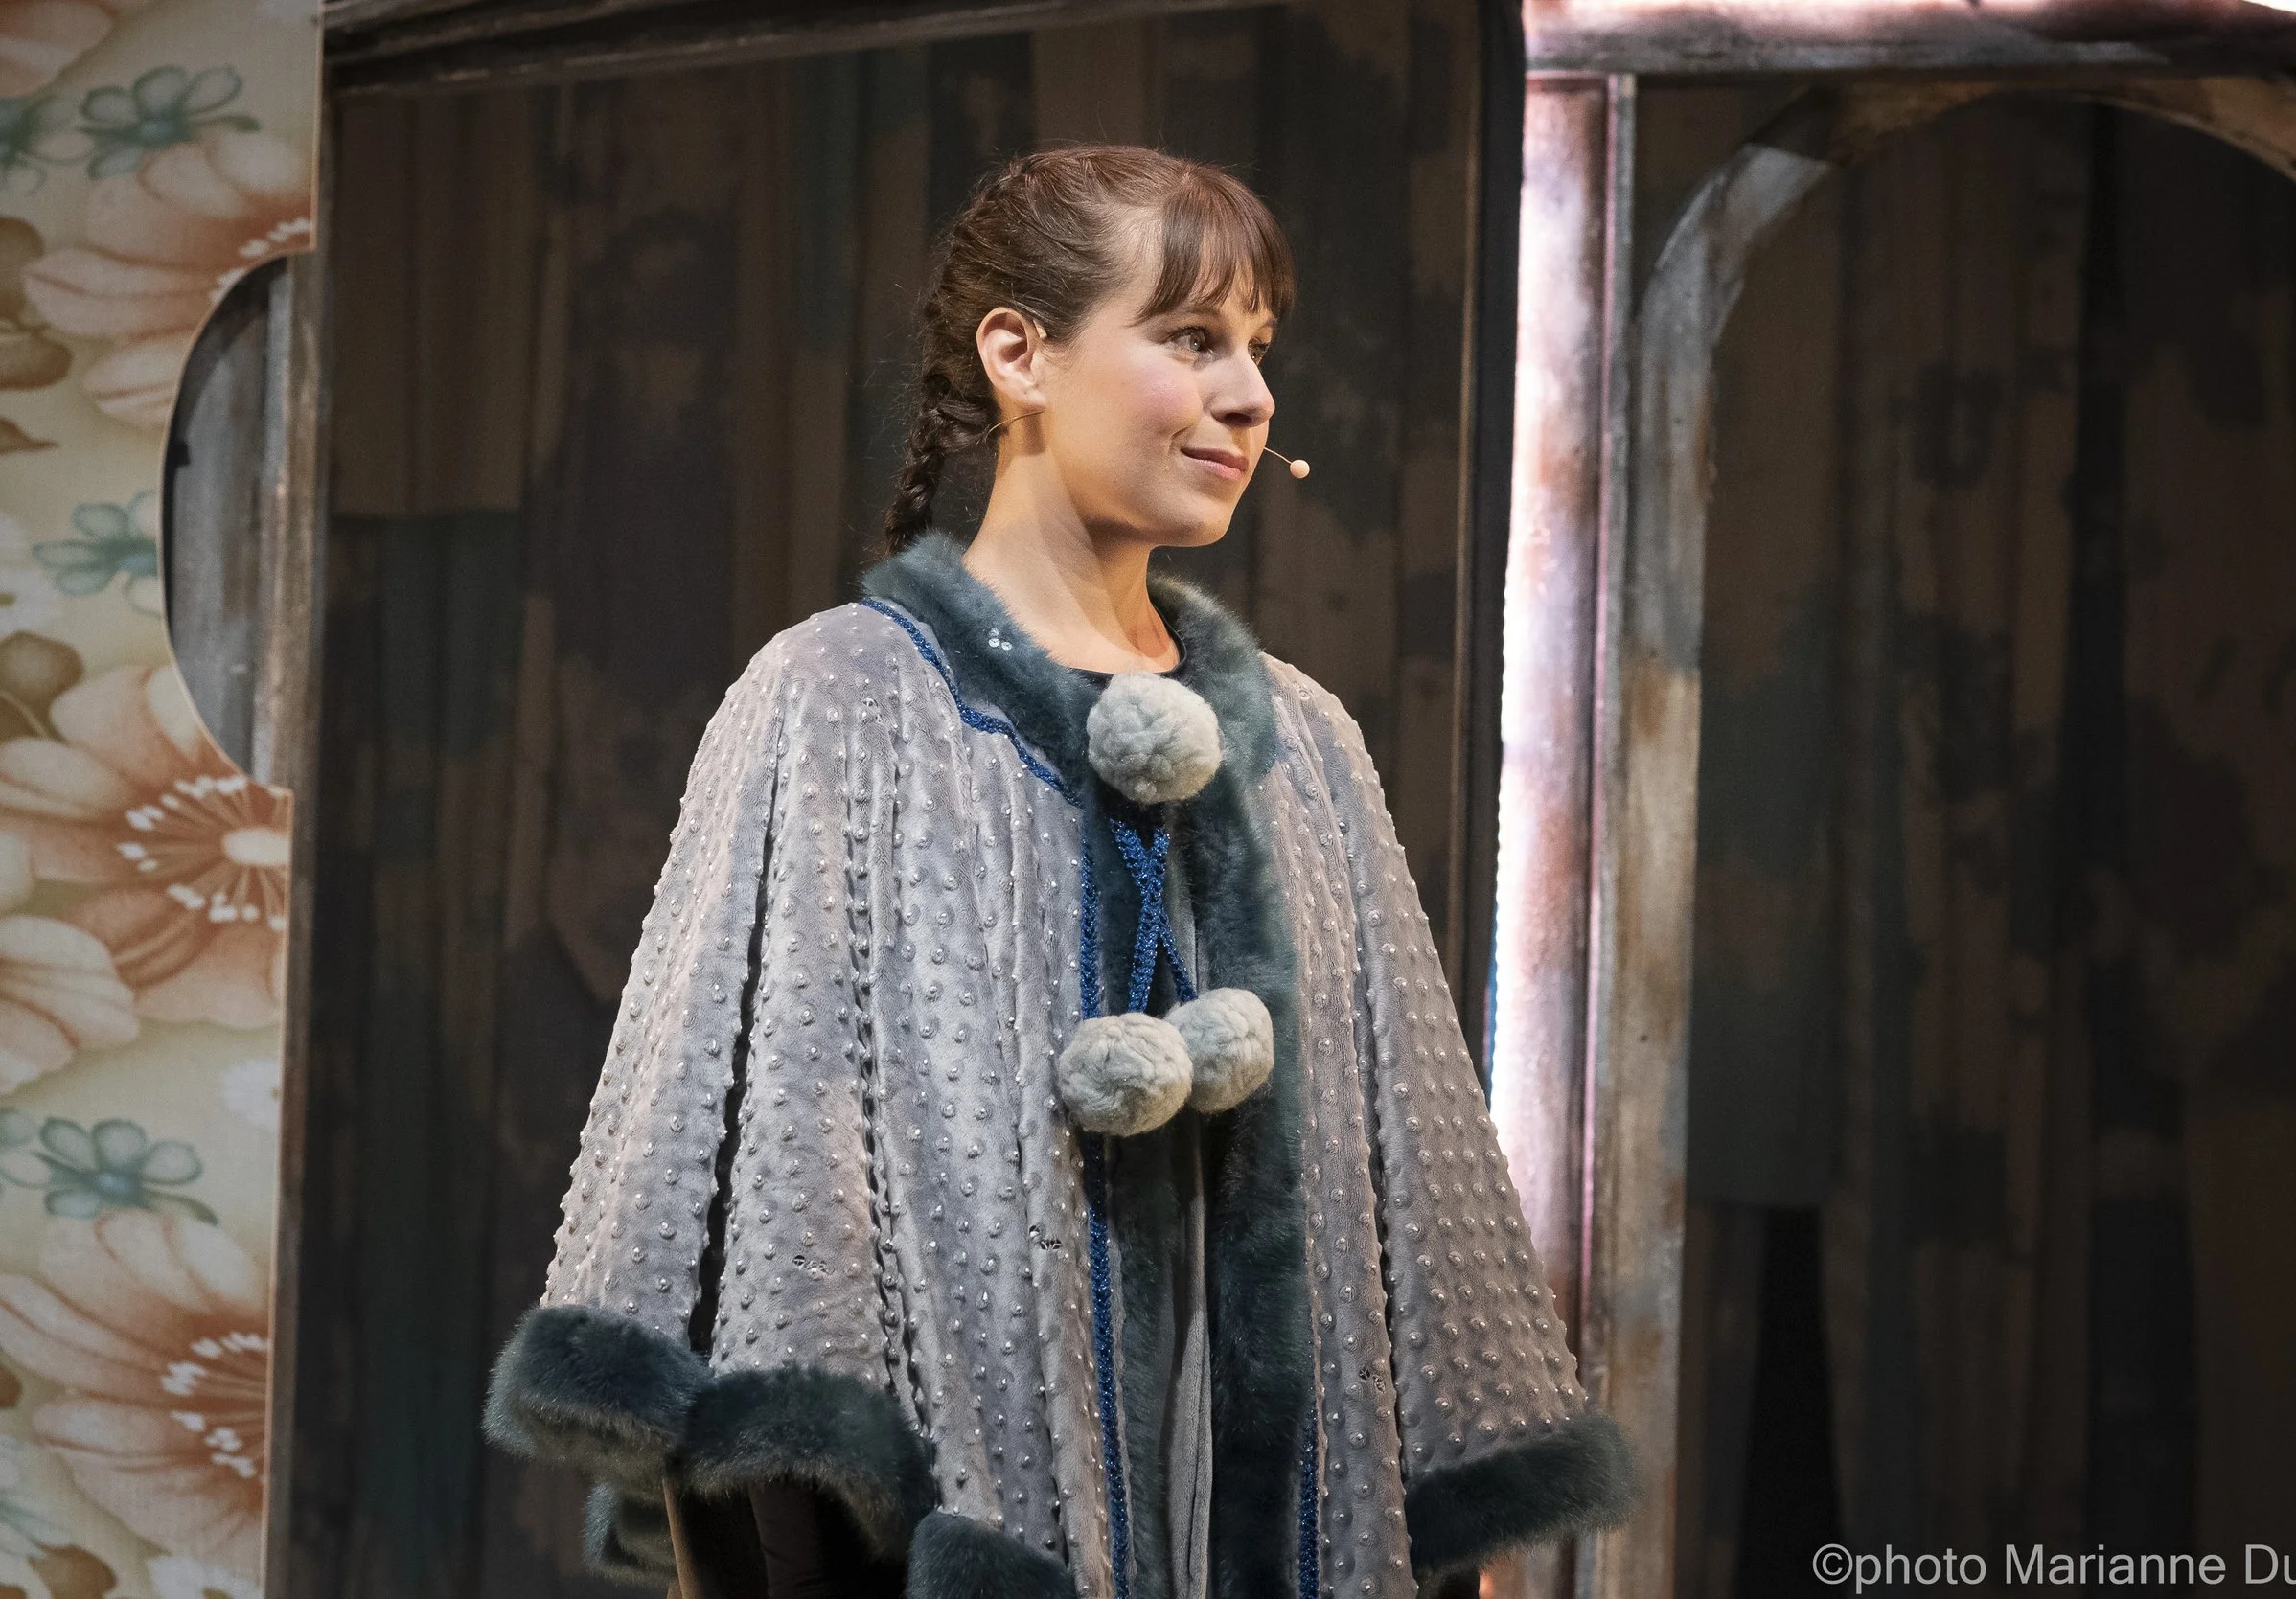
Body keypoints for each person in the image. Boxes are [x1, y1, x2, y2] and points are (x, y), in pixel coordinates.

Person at [483, 144, 1633, 1599]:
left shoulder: (1308, 746)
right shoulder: (840, 704)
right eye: (1192, 337)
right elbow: (760, 1198)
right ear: (1020, 353)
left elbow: (1406, 1205)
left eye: (1259, 350)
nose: (1251, 394)